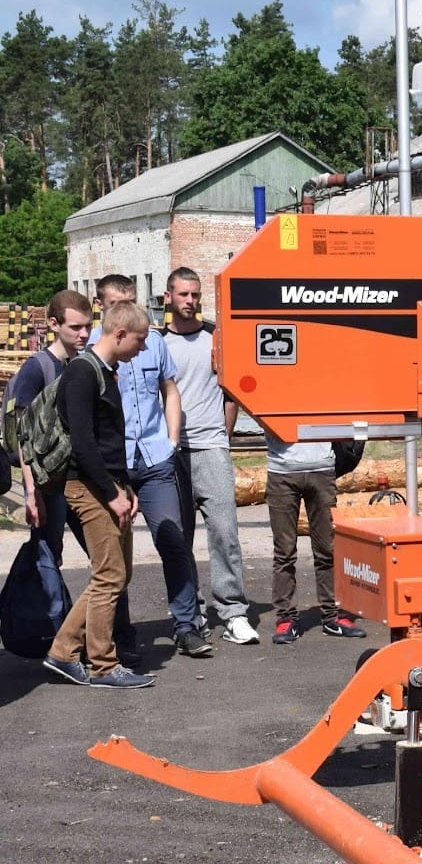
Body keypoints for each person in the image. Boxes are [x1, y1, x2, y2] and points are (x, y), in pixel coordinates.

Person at [93, 275, 211, 659]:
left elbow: (169, 391)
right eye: (118, 303)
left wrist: (172, 441)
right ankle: (122, 635)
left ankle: (186, 626)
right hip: (116, 466)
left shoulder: (153, 343)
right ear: (101, 305)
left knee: (173, 541)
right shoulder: (93, 348)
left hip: (156, 458)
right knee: (117, 554)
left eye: (132, 300)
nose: (128, 309)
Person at [42, 300, 154, 689]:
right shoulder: (82, 372)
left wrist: (127, 488)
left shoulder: (105, 371)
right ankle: (104, 666)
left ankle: (63, 652)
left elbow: (108, 442)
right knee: (109, 575)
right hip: (87, 486)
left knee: (116, 574)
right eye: (139, 339)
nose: (142, 347)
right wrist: (111, 493)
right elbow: (84, 443)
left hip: (108, 485)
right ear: (120, 333)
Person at [163, 267, 257, 645]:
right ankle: (191, 613)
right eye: (183, 294)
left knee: (225, 533)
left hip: (212, 447)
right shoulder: (158, 344)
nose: (190, 301)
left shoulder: (216, 337)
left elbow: (231, 393)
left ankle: (233, 612)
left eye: (195, 294)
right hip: (174, 453)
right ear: (168, 297)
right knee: (179, 539)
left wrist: (223, 436)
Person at [8, 291, 94, 639]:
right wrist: (32, 492)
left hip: (83, 480)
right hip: (49, 486)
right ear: (54, 325)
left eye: (88, 326)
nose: (84, 334)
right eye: (76, 327)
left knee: (107, 558)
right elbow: (22, 436)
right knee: (48, 559)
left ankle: (108, 635)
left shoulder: (83, 365)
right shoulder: (36, 369)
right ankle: (56, 639)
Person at [264, 434, 366, 644]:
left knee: (328, 548)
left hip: (322, 468)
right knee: (284, 552)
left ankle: (333, 615)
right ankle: (286, 617)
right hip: (282, 470)